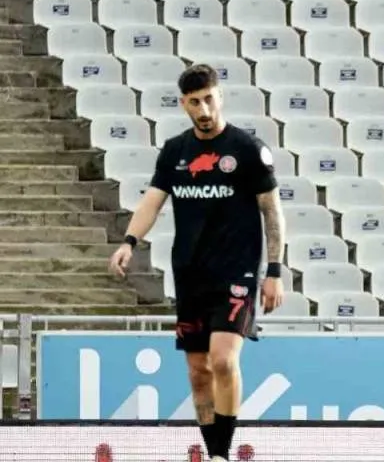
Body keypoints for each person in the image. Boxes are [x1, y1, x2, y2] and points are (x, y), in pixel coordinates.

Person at [107, 64, 286, 462]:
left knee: (223, 359)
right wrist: (129, 242)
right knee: (198, 370)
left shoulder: (247, 149)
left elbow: (272, 212)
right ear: (183, 104)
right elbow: (152, 201)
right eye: (194, 102)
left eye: (208, 99)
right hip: (190, 274)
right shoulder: (175, 151)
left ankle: (222, 454)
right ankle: (213, 451)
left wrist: (274, 271)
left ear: (220, 97)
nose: (203, 110)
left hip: (236, 272)